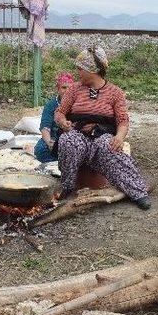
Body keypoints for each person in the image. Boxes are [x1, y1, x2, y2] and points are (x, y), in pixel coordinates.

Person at [54, 46, 151, 210]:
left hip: (101, 136)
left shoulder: (115, 92)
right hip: (78, 135)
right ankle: (68, 188)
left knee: (110, 147)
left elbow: (123, 121)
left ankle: (137, 192)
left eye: (80, 69)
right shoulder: (74, 89)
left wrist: (119, 138)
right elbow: (60, 112)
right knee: (68, 141)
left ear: (92, 70)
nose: (78, 72)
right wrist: (63, 122)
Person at [34, 72, 75, 163]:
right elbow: (45, 126)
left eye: (70, 88)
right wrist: (49, 142)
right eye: (64, 87)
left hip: (73, 138)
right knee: (40, 150)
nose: (67, 90)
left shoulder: (78, 104)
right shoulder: (51, 105)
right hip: (54, 137)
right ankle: (63, 162)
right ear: (58, 88)